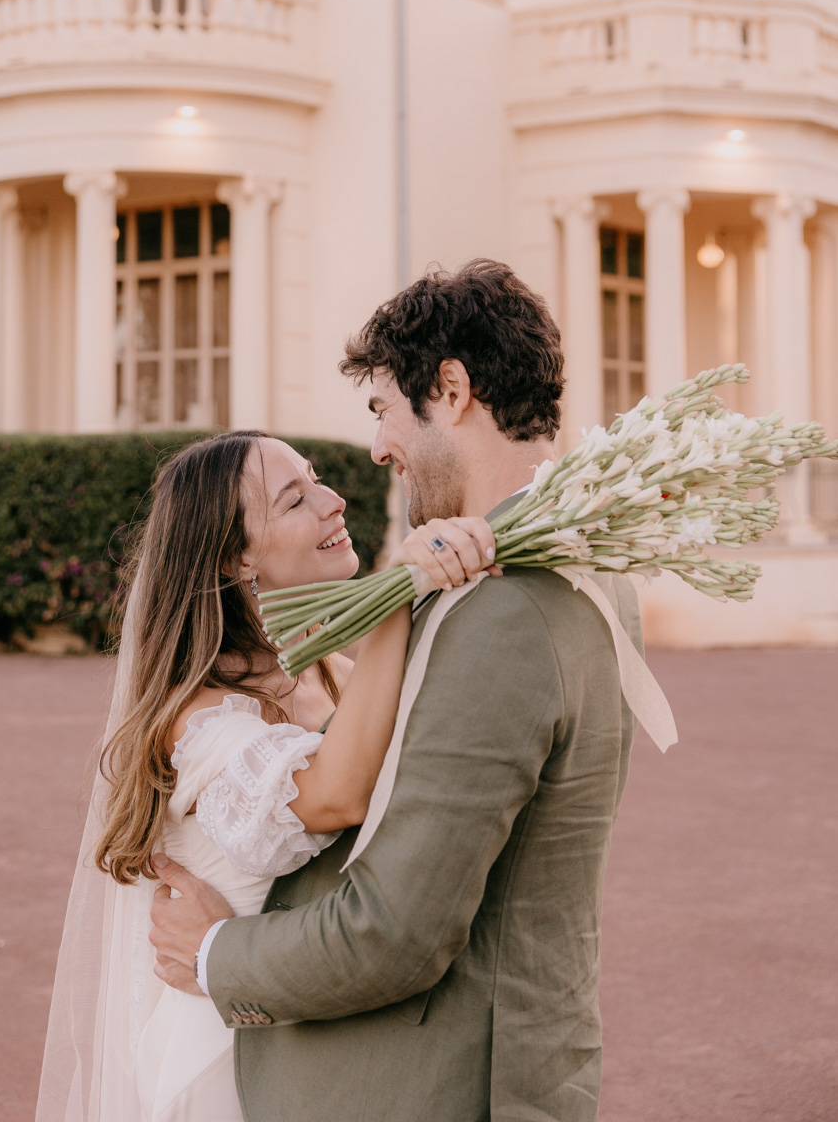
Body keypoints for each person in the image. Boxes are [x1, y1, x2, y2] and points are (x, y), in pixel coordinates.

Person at [149, 259, 643, 1122]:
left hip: (440, 1082)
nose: (375, 450)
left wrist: (213, 954)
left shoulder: (503, 612)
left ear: (448, 389)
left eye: (382, 409)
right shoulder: (583, 574)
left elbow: (394, 932)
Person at [35, 428, 497, 1122]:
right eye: (295, 499)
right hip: (220, 1054)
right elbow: (335, 796)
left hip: (311, 1030)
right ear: (235, 554)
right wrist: (395, 599)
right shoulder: (196, 717)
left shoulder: (332, 673)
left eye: (317, 479)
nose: (334, 500)